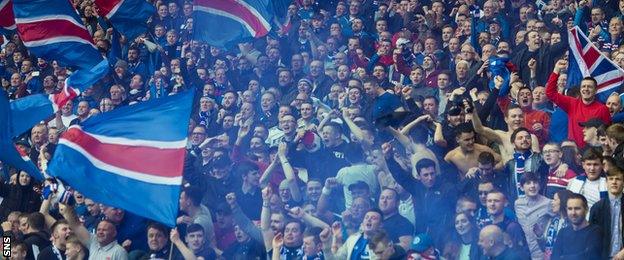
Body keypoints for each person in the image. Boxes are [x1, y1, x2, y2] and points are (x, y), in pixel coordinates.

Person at [545, 59, 611, 148]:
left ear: (595, 91)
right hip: (574, 151)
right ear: (580, 90)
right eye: (583, 86)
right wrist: (556, 70)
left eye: (590, 87)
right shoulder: (572, 103)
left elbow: (607, 132)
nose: (586, 89)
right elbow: (550, 93)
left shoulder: (603, 109)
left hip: (593, 152)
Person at [551, 193, 603, 259]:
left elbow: (591, 256)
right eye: (570, 209)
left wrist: (563, 257)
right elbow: (554, 257)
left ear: (586, 209)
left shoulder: (595, 232)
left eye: (577, 208)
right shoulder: (563, 232)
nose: (573, 213)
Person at [514, 172, 552, 260]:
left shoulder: (548, 203)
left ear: (539, 185)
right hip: (524, 252)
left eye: (535, 182)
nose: (532, 186)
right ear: (522, 187)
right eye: (528, 183)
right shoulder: (518, 204)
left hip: (541, 253)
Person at [589, 165, 624, 258]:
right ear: (606, 182)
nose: (614, 182)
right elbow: (592, 238)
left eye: (618, 179)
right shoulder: (597, 208)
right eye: (611, 179)